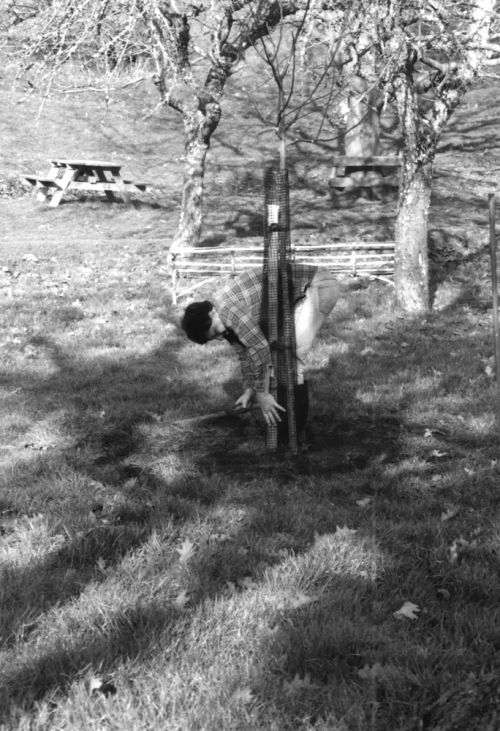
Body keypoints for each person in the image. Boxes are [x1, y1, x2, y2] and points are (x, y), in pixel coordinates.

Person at [180, 263, 341, 437]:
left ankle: (294, 436)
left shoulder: (228, 311)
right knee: (281, 358)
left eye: (214, 333)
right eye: (214, 338)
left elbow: (259, 347)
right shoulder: (221, 322)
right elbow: (245, 354)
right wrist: (250, 390)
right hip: (298, 294)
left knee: (292, 358)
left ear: (211, 313)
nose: (220, 338)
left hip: (317, 285)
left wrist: (262, 394)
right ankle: (287, 431)